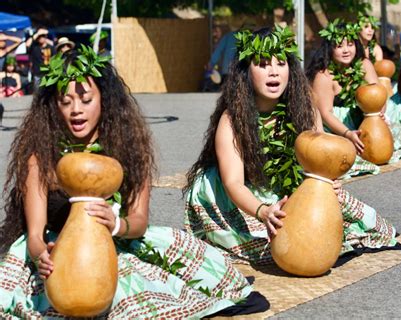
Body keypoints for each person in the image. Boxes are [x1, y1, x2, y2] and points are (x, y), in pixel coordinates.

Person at [0, 46, 269, 318]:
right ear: (53, 105)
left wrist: (116, 224)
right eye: (65, 101)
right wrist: (40, 255)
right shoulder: (40, 157)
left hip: (119, 240)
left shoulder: (129, 149)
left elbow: (138, 221)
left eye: (86, 99)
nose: (76, 110)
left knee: (136, 281)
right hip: (59, 245)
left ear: (104, 99)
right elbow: (35, 234)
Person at [184, 26, 397, 267]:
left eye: (281, 64)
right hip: (239, 193)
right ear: (246, 72)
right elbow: (233, 182)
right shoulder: (232, 119)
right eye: (263, 64)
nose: (273, 72)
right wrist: (263, 211)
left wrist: (327, 181)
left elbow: (318, 155)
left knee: (362, 222)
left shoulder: (304, 105)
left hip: (284, 185)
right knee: (271, 241)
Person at [306, 20, 401, 178]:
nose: (346, 50)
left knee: (390, 141)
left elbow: (378, 94)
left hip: (364, 116)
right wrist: (348, 133)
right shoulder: (324, 76)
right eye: (339, 46)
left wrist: (379, 112)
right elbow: (326, 113)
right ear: (330, 49)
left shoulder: (364, 64)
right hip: (336, 124)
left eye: (350, 44)